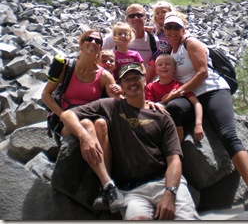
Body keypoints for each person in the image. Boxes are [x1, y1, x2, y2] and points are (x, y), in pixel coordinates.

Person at [60, 63, 200, 220]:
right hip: (132, 191)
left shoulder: (162, 116)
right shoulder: (110, 106)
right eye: (127, 80)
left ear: (145, 81)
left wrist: (170, 192)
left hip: (164, 182)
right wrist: (84, 137)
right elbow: (67, 115)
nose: (132, 83)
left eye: (136, 78)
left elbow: (174, 160)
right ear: (121, 86)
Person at [163, 11, 248, 211]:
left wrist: (178, 92)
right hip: (192, 97)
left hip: (212, 90)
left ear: (183, 29)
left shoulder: (190, 43)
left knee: (227, 133)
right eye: (168, 27)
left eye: (176, 27)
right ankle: (175, 167)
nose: (172, 31)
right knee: (174, 109)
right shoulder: (172, 52)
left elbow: (202, 72)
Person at [42, 29, 120, 140]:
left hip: (92, 116)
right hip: (66, 118)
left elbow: (118, 101)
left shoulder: (105, 76)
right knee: (87, 125)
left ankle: (100, 157)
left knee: (101, 124)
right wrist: (62, 115)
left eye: (98, 41)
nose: (93, 42)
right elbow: (46, 94)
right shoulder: (66, 67)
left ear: (100, 48)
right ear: (81, 44)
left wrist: (122, 93)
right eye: (89, 39)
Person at [146, 53, 204, 143]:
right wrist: (170, 97)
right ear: (156, 70)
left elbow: (196, 103)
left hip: (177, 117)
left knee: (173, 107)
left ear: (174, 69)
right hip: (160, 122)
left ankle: (177, 146)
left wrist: (198, 124)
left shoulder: (178, 86)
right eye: (160, 64)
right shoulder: (151, 86)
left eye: (168, 64)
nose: (164, 66)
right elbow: (150, 107)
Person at [102, 4, 159, 82]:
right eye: (131, 16)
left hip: (141, 83)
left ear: (145, 18)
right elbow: (97, 54)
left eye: (139, 15)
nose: (135, 18)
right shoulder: (114, 37)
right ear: (127, 20)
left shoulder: (154, 41)